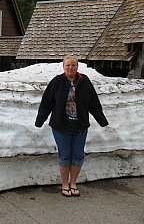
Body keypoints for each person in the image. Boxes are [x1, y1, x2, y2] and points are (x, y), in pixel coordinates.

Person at [35, 55, 108, 197]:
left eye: (73, 65)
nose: (70, 68)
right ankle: (64, 184)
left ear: (77, 67)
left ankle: (73, 183)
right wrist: (40, 120)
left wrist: (101, 119)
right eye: (68, 65)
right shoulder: (57, 82)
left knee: (78, 155)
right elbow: (46, 103)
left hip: (80, 125)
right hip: (61, 125)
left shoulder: (84, 81)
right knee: (65, 155)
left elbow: (93, 102)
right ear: (63, 67)